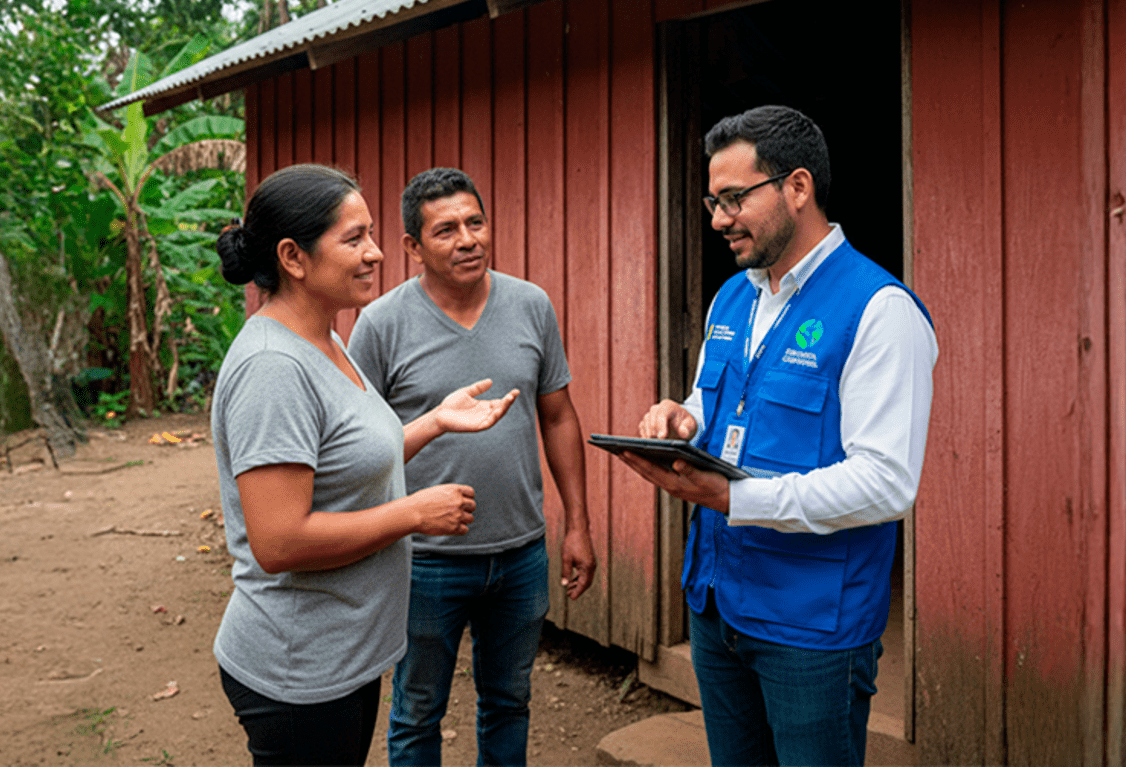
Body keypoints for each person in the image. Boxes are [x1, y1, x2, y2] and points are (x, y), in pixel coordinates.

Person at [624, 106, 937, 767]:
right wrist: (682, 420)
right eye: (713, 200)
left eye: (734, 198)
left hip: (811, 627)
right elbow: (724, 407)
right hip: (717, 604)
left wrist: (733, 499)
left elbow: (886, 483)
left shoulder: (880, 311)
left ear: (798, 188)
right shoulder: (733, 298)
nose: (717, 219)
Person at [211, 163, 520, 767]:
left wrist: (433, 421)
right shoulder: (273, 367)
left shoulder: (324, 340)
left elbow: (343, 465)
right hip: (297, 666)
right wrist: (412, 513)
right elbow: (278, 540)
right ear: (293, 258)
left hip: (341, 653)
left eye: (371, 234)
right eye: (354, 239)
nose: (376, 253)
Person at [348, 167, 597, 767]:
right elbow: (360, 447)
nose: (468, 240)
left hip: (520, 553)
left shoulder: (530, 305)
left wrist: (578, 524)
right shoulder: (380, 324)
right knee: (417, 711)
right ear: (412, 247)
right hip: (425, 561)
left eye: (475, 222)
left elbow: (559, 417)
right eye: (446, 230)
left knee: (509, 700)